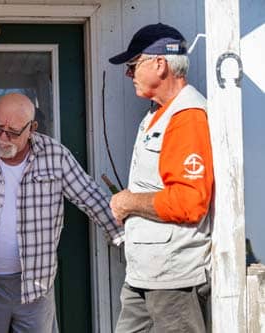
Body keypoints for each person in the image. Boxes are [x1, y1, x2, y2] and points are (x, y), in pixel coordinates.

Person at [0, 92, 124, 332]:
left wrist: (128, 238)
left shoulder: (54, 155)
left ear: (32, 128)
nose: (3, 138)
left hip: (35, 285)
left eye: (14, 132)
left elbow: (91, 198)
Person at [108, 23, 214, 332]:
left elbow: (189, 201)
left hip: (173, 280)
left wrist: (128, 202)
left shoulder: (187, 116)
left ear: (160, 63)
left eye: (133, 65)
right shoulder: (157, 114)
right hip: (146, 273)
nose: (129, 74)